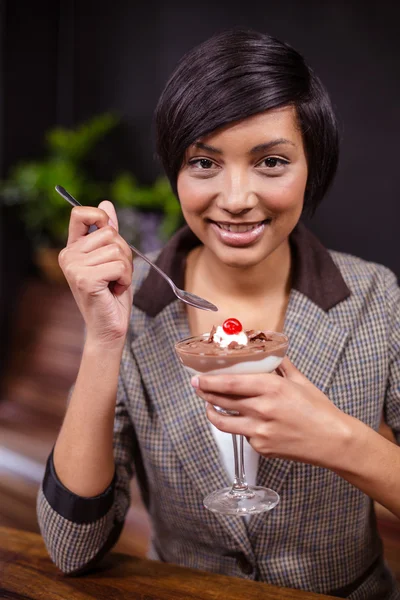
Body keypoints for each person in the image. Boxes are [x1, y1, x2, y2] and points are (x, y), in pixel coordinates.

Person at [37, 28, 400, 598]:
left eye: (272, 162)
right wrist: (105, 337)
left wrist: (337, 439)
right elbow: (70, 549)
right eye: (204, 163)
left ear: (314, 165)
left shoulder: (377, 298)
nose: (234, 198)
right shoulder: (131, 300)